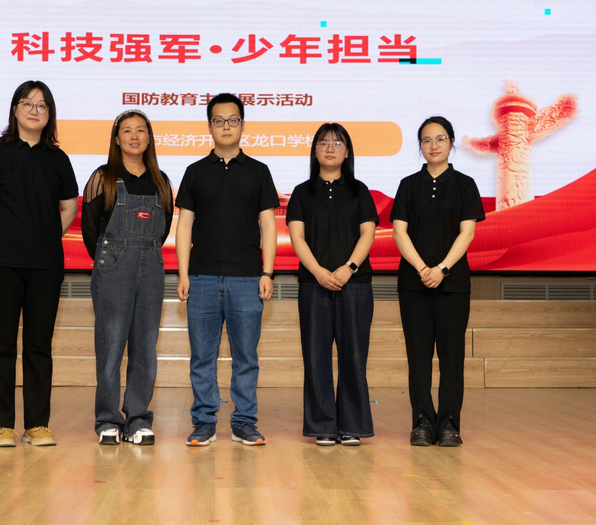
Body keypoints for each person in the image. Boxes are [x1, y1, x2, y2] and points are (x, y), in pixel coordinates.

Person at [0, 80, 79, 447]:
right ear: (15, 109)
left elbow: (69, 208)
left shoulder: (58, 159)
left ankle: (37, 424)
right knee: (1, 343)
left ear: (50, 114)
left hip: (46, 265)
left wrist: (46, 235)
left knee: (39, 345)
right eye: (27, 103)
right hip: (2, 264)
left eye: (42, 105)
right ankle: (0, 425)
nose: (35, 110)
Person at [175, 93, 279, 446]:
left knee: (246, 357)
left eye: (233, 120)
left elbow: (268, 224)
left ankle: (244, 422)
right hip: (201, 278)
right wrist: (183, 274)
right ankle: (204, 421)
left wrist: (268, 272)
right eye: (219, 121)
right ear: (209, 126)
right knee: (202, 357)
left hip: (247, 278)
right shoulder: (195, 172)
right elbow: (184, 225)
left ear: (242, 125)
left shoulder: (259, 171)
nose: (226, 127)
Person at [390, 116, 485, 447]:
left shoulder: (465, 185)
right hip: (413, 283)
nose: (433, 145)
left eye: (440, 139)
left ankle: (448, 424)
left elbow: (467, 232)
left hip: (453, 283)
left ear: (451, 143)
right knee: (418, 358)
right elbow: (399, 232)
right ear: (420, 146)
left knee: (451, 357)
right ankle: (421, 422)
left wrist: (442, 269)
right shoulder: (408, 185)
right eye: (427, 140)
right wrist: (422, 269)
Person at [82, 109, 173, 446]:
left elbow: (163, 228)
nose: (135, 136)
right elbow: (90, 229)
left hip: (151, 265)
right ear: (117, 139)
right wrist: (113, 257)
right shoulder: (102, 177)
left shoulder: (161, 180)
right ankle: (108, 420)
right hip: (113, 265)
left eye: (141, 130)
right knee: (111, 344)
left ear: (149, 138)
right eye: (127, 130)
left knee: (145, 346)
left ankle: (137, 420)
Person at [286, 123, 378, 447]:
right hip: (314, 284)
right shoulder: (302, 192)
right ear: (314, 151)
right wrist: (318, 272)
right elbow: (297, 237)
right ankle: (323, 425)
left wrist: (349, 268)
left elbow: (368, 233)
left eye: (337, 143)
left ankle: (352, 425)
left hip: (355, 284)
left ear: (347, 152)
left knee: (354, 355)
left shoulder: (359, 191)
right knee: (316, 357)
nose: (329, 148)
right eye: (323, 143)